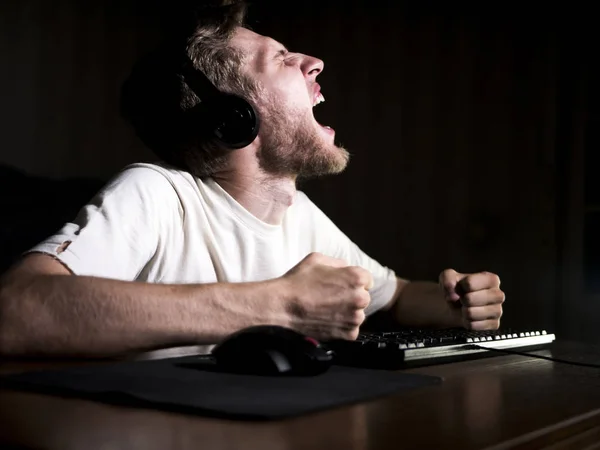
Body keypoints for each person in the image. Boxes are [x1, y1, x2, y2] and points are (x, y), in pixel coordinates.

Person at [0, 1, 504, 358]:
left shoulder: (301, 219)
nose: (314, 62)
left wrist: (455, 302)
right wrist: (279, 305)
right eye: (283, 60)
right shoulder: (157, 193)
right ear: (234, 118)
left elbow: (394, 296)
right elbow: (17, 311)